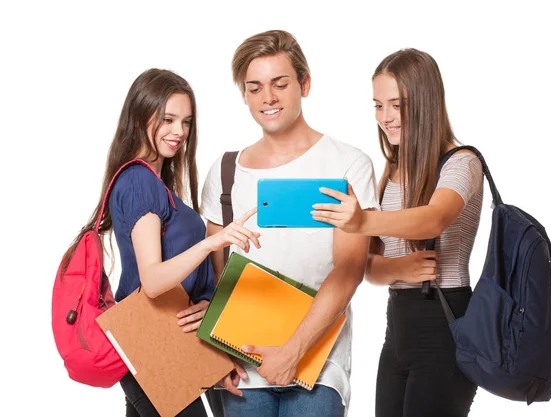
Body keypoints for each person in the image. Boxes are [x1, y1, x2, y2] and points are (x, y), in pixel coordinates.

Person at [60, 68, 260, 417]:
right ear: (140, 116)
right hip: (151, 346)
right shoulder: (140, 181)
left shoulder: (155, 183)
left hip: (159, 344)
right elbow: (152, 281)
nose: (179, 132)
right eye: (167, 119)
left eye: (186, 122)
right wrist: (213, 243)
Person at [200, 30, 379, 417]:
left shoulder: (347, 164)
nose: (269, 98)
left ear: (304, 84)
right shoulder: (226, 171)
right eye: (255, 87)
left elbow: (349, 271)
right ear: (244, 95)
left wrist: (293, 351)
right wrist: (216, 353)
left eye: (280, 84)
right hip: (241, 365)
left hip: (318, 366)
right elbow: (216, 274)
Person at [311, 49, 482, 417]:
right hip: (399, 326)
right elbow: (368, 265)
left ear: (424, 102)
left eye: (395, 105)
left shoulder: (462, 162)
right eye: (377, 105)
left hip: (445, 323)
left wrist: (362, 222)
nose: (384, 117)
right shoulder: (392, 168)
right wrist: (398, 268)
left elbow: (434, 218)